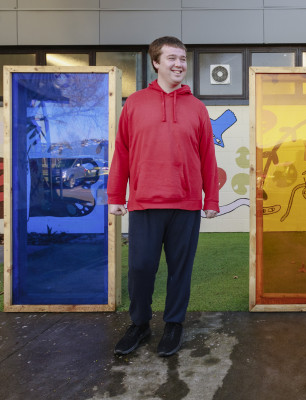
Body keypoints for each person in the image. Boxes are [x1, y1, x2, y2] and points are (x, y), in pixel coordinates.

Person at [108, 36, 219, 357]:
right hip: (144, 203)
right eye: (171, 58)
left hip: (185, 205)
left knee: (179, 269)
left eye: (183, 59)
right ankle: (140, 324)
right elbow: (122, 153)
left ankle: (174, 324)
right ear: (155, 62)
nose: (179, 64)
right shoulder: (135, 104)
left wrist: (210, 199)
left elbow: (207, 159)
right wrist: (116, 194)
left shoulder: (197, 108)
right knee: (141, 268)